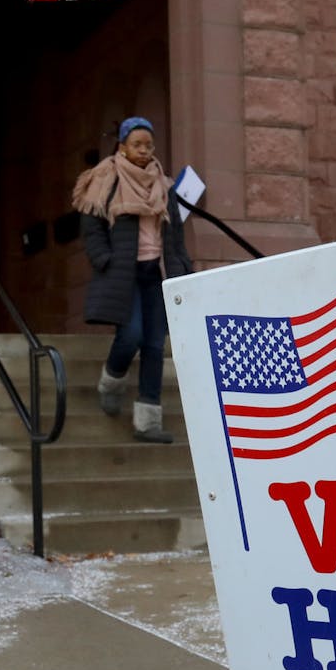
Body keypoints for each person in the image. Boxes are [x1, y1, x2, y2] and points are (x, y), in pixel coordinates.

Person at [72, 116, 192, 443]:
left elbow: (176, 238)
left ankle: (148, 421)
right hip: (124, 273)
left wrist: (184, 271)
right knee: (131, 336)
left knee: (154, 344)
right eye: (136, 144)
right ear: (122, 146)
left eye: (148, 145)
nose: (143, 151)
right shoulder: (106, 179)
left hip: (157, 273)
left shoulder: (164, 186)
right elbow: (92, 226)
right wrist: (103, 259)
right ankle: (111, 379)